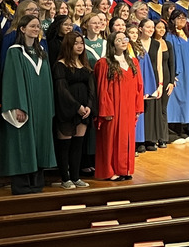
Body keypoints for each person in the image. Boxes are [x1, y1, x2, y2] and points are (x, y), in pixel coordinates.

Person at [0, 15, 56, 194]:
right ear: (22, 29)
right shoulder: (14, 52)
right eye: (32, 26)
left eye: (38, 26)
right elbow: (12, 81)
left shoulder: (42, 53)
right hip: (25, 107)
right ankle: (22, 185)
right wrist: (18, 106)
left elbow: (48, 82)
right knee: (23, 143)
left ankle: (37, 183)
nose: (35, 29)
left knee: (40, 143)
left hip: (42, 107)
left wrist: (50, 108)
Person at [94, 31, 143, 181]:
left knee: (126, 139)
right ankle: (109, 171)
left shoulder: (133, 62)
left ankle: (124, 169)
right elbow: (102, 89)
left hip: (128, 108)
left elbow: (139, 86)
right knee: (111, 140)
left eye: (125, 38)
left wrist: (137, 108)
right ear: (112, 43)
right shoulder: (104, 63)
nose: (123, 41)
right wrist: (106, 110)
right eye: (119, 39)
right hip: (113, 108)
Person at [52, 31, 95, 188]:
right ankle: (65, 178)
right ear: (68, 45)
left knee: (78, 145)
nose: (80, 46)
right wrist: (77, 107)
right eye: (76, 43)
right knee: (65, 146)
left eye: (81, 43)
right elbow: (62, 90)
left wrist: (89, 106)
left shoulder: (85, 65)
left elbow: (91, 89)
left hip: (84, 111)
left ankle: (76, 177)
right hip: (67, 110)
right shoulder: (60, 65)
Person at [165, 11, 189, 143]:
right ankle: (172, 133)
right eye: (179, 18)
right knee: (175, 103)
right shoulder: (170, 37)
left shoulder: (188, 37)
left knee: (186, 102)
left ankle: (182, 130)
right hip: (178, 75)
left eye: (184, 18)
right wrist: (172, 75)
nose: (182, 20)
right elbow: (169, 58)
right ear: (172, 20)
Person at [134, 18, 165, 151]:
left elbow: (159, 66)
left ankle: (150, 139)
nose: (151, 30)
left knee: (152, 110)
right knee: (140, 110)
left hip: (153, 80)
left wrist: (160, 85)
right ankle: (139, 141)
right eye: (148, 27)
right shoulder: (135, 44)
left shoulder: (156, 44)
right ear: (140, 28)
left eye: (153, 27)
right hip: (139, 80)